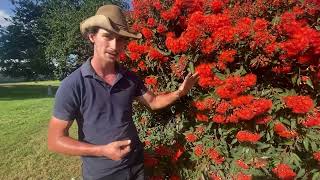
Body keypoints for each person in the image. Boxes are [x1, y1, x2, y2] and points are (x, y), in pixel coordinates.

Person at [47, 4, 199, 180]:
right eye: (107, 37)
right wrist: (101, 150)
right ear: (92, 37)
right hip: (102, 174)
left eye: (120, 39)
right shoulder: (73, 85)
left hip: (136, 167)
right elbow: (55, 140)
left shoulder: (129, 78)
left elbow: (153, 101)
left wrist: (180, 92)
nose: (114, 46)